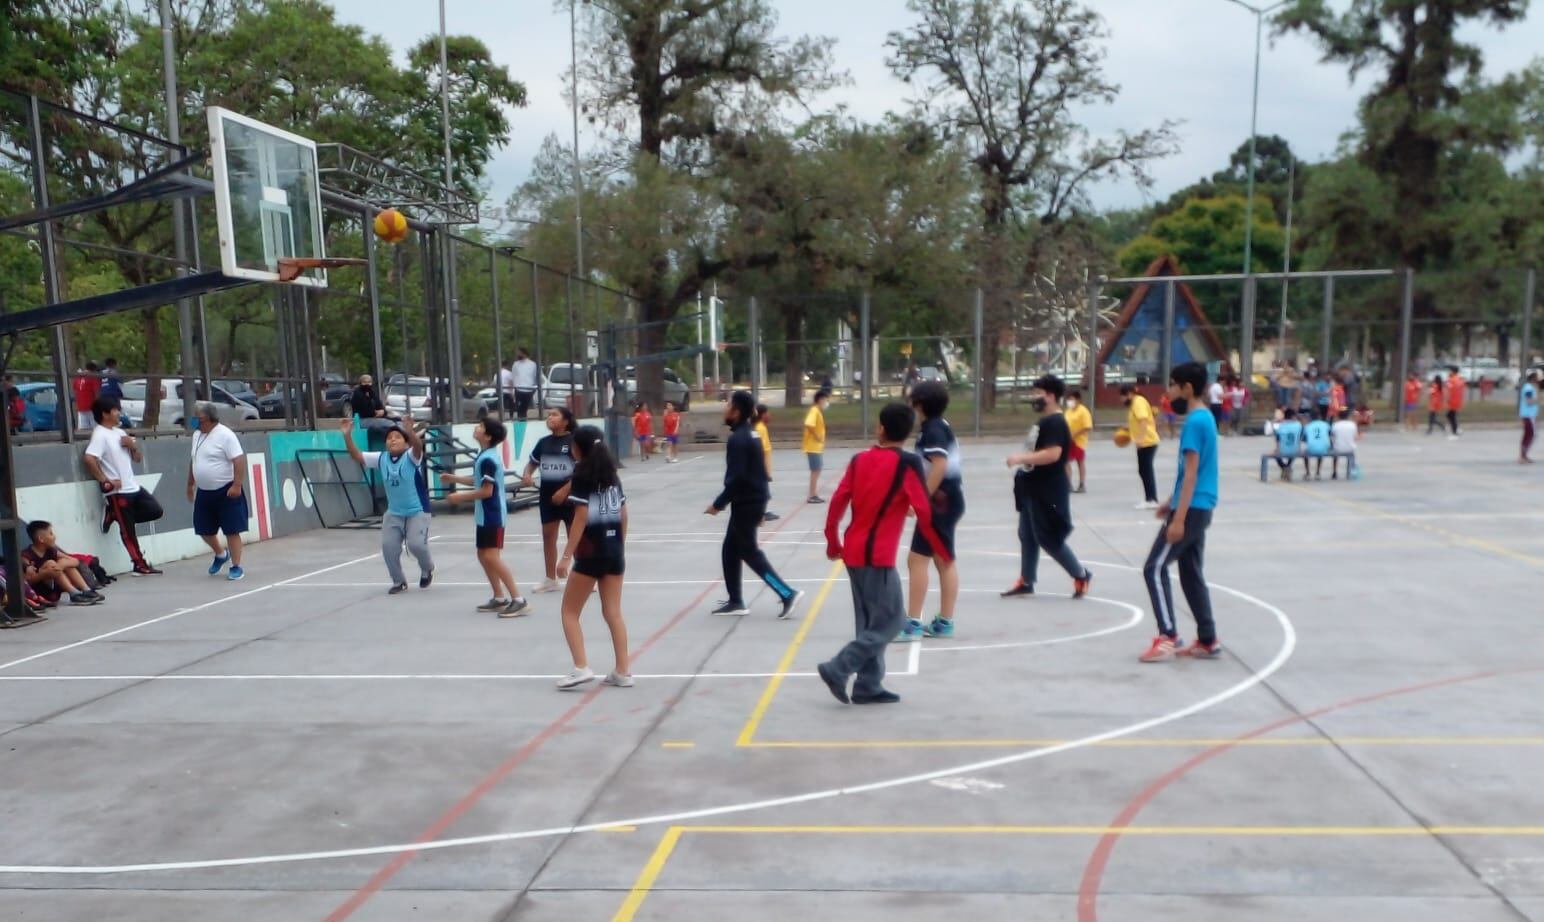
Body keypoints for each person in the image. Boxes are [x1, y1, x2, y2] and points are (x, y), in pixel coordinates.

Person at [816, 403, 952, 706]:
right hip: (877, 554)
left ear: (880, 429)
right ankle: (839, 667)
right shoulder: (908, 464)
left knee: (868, 622)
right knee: (891, 622)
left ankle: (867, 685)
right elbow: (923, 510)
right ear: (907, 434)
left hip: (853, 550)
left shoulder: (858, 460)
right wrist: (941, 549)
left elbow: (838, 500)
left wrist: (832, 540)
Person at [1139, 362, 1221, 663]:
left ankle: (1168, 635)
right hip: (1200, 504)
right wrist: (1171, 502)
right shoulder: (1206, 418)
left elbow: (1191, 473)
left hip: (1194, 507)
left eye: (1173, 384)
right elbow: (1192, 474)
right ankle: (1208, 638)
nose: (1169, 390)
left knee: (1154, 567)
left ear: (1187, 388)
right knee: (1190, 572)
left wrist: (1179, 518)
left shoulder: (1195, 422)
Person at [705, 390, 803, 618]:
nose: (724, 408)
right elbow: (757, 473)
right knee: (730, 549)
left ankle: (786, 593)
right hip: (753, 499)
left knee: (749, 552)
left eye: (727, 404)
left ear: (736, 411)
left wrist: (718, 505)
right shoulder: (751, 434)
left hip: (747, 501)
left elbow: (737, 479)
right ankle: (736, 600)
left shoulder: (738, 439)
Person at [1000, 375, 1094, 601]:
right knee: (1027, 534)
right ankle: (1026, 579)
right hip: (1031, 485)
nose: (1034, 398)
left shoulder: (1055, 422)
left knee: (1048, 537)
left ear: (1051, 396)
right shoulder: (1044, 421)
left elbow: (1053, 454)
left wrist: (1020, 457)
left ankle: (1081, 574)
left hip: (1048, 489)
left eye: (1038, 393)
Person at [554, 425, 632, 690]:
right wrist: (619, 545)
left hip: (590, 552)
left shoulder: (582, 476)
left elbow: (581, 517)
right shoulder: (612, 476)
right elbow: (623, 515)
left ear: (579, 448)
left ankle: (580, 667)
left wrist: (565, 556)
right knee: (613, 612)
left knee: (569, 611)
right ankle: (623, 670)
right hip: (614, 551)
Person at [440, 418, 529, 617]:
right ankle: (499, 597)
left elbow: (487, 491)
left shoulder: (489, 459)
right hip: (485, 515)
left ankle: (518, 599)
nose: (476, 428)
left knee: (491, 556)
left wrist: (459, 497)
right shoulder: (484, 456)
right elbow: (478, 480)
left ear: (487, 436)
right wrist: (454, 478)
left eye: (480, 426)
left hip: (493, 515)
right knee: (483, 555)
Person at [897, 381, 964, 641]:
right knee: (940, 560)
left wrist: (920, 499)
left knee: (921, 560)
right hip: (945, 501)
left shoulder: (933, 429)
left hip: (941, 503)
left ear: (920, 404)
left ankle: (914, 623)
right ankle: (943, 622)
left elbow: (938, 465)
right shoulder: (936, 426)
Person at [340, 417, 433, 595]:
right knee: (389, 547)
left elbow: (418, 447)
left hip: (417, 511)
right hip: (395, 512)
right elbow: (357, 456)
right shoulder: (381, 458)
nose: (393, 440)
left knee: (416, 545)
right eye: (389, 438)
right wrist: (347, 436)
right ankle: (399, 581)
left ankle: (427, 568)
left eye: (398, 437)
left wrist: (410, 431)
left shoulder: (411, 457)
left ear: (406, 444)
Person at [82, 396, 163, 575]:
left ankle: (113, 514)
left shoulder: (120, 433)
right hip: (118, 493)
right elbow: (89, 458)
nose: (119, 413)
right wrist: (105, 480)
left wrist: (132, 447)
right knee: (128, 532)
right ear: (105, 414)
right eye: (115, 410)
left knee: (155, 510)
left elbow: (137, 458)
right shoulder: (100, 434)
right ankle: (139, 564)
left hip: (133, 486)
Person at [186, 403, 249, 581]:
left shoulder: (225, 435)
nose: (194, 421)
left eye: (197, 417)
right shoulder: (197, 435)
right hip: (205, 491)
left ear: (207, 419)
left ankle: (236, 566)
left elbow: (238, 460)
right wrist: (190, 484)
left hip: (226, 490)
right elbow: (194, 460)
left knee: (232, 529)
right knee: (203, 529)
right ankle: (220, 554)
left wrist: (237, 485)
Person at [521, 406, 577, 594]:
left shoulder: (574, 442)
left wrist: (565, 490)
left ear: (566, 420)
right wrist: (527, 474)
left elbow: (581, 470)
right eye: (549, 415)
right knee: (548, 536)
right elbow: (531, 464)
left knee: (574, 536)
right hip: (547, 496)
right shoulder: (543, 443)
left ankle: (583, 575)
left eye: (554, 415)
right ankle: (550, 579)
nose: (550, 418)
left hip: (571, 496)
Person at [22, 521, 103, 606]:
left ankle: (86, 590)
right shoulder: (26, 556)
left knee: (65, 562)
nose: (54, 537)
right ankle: (74, 594)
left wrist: (62, 564)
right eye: (51, 534)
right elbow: (26, 581)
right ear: (41, 539)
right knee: (51, 564)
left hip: (54, 591)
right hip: (39, 593)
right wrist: (43, 574)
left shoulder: (51, 551)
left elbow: (75, 561)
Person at [1121, 384, 1161, 509]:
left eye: (1122, 397)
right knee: (1144, 470)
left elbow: (1143, 420)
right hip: (1146, 442)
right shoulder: (1137, 403)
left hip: (1147, 442)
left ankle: (1151, 499)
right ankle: (1150, 498)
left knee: (1146, 470)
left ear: (1129, 394)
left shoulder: (1138, 402)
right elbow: (1140, 421)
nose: (1121, 400)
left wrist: (1141, 438)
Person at [1064, 387, 1093, 493]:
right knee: (1066, 461)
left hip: (1079, 441)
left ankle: (1081, 484)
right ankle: (1068, 484)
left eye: (1071, 399)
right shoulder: (1068, 411)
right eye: (1068, 399)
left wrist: (1075, 434)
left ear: (1078, 399)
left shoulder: (1083, 411)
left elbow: (1087, 426)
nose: (1069, 402)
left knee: (1079, 461)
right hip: (1068, 440)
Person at [803, 389, 830, 503]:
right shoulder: (814, 411)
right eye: (825, 400)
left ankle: (813, 493)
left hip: (816, 447)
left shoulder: (817, 411)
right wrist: (817, 436)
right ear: (820, 400)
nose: (826, 403)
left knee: (817, 469)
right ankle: (812, 495)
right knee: (815, 470)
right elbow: (809, 424)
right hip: (813, 446)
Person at [754, 403, 778, 522]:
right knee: (763, 493)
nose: (769, 415)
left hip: (764, 467)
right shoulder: (760, 428)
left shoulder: (761, 427)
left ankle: (761, 512)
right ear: (762, 415)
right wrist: (764, 471)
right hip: (761, 468)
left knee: (764, 493)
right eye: (767, 413)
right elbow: (761, 450)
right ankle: (759, 513)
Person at [1273, 408, 1304, 481]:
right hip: (1295, 450)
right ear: (1293, 416)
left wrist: (1277, 449)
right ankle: (1288, 466)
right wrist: (1299, 448)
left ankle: (1284, 467)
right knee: (1293, 449)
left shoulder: (1280, 426)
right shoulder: (1298, 425)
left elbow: (1278, 439)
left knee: (1276, 454)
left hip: (1283, 450)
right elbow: (1300, 438)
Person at [1330, 408, 1360, 479]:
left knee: (1335, 455)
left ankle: (1334, 471)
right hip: (1350, 447)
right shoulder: (1352, 425)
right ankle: (1350, 471)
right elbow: (1355, 437)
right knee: (1351, 454)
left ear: (1338, 416)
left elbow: (1332, 437)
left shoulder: (1335, 425)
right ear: (1348, 416)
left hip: (1338, 448)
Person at [512, 348, 540, 420]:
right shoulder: (516, 364)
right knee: (519, 408)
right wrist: (513, 389)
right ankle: (521, 420)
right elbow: (514, 376)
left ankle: (523, 420)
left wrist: (534, 387)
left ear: (524, 353)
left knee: (524, 407)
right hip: (518, 389)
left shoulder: (532, 364)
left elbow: (536, 376)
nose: (518, 354)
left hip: (529, 389)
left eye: (519, 353)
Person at [72, 362, 101, 433]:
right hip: (91, 405)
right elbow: (96, 392)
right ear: (94, 369)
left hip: (80, 405)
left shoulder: (78, 377)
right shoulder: (93, 377)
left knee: (83, 429)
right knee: (96, 429)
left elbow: (75, 389)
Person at [1304, 412, 1332, 480]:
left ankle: (1308, 473)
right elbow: (1329, 434)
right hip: (1324, 448)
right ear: (1319, 417)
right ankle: (1318, 472)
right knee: (1321, 450)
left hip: (1311, 448)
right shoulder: (1325, 424)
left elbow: (1305, 439)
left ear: (1310, 418)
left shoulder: (1307, 426)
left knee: (1305, 453)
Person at [1520, 370, 1539, 464]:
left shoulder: (1529, 387)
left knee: (1529, 435)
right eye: (1536, 378)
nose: (1538, 379)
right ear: (1533, 378)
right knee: (1531, 434)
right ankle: (1523, 456)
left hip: (1529, 415)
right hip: (1528, 415)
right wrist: (1537, 400)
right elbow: (1528, 400)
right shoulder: (1528, 388)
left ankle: (1524, 455)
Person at [1444, 366, 1465, 439]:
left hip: (1453, 401)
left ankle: (1454, 433)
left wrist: (1448, 399)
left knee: (1450, 416)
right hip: (1458, 400)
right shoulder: (1460, 379)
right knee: (1452, 415)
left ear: (1453, 371)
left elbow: (1449, 391)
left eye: (1450, 371)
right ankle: (1456, 429)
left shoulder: (1451, 380)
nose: (1449, 372)